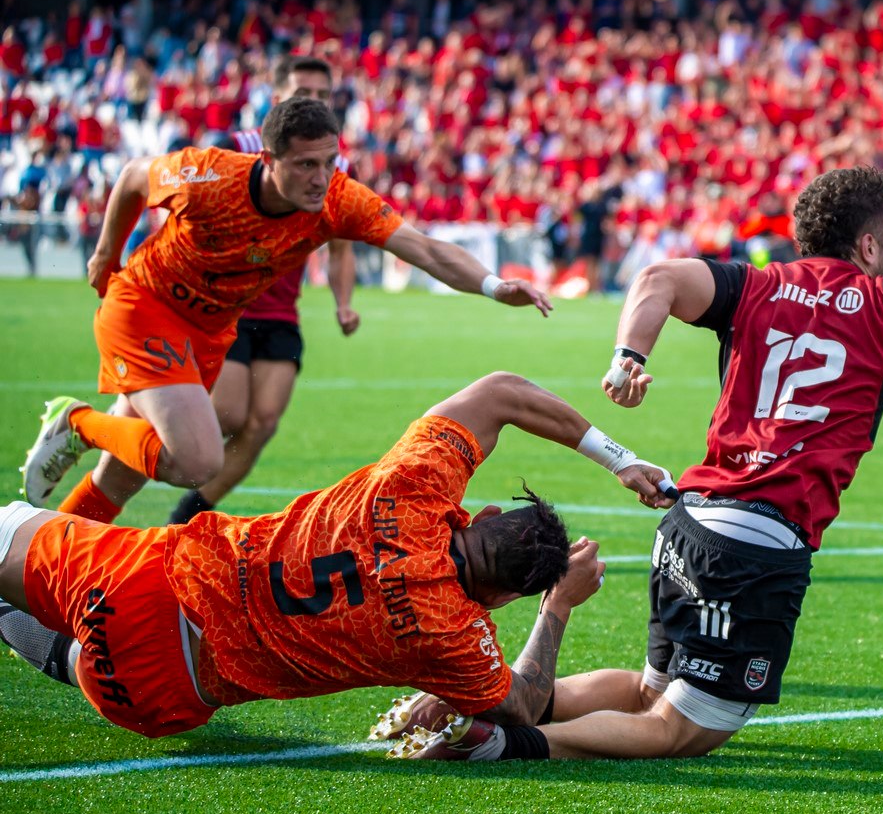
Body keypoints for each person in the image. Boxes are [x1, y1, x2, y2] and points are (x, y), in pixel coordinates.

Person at [379, 165, 883, 762]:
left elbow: (659, 277)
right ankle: (502, 741)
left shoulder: (754, 285)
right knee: (679, 730)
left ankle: (470, 704)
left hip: (690, 522)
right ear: (869, 245)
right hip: (759, 543)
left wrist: (629, 358)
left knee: (648, 692)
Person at [0, 371, 674, 738]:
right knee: (89, 657)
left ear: (487, 515)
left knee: (16, 535)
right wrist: (558, 606)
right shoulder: (455, 639)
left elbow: (501, 392)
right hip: (160, 695)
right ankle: (51, 643)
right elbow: (522, 708)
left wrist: (619, 460)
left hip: (152, 583)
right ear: (500, 598)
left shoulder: (412, 486)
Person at [21, 97, 553, 522]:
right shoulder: (208, 176)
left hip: (208, 331)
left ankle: (37, 576)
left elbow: (427, 249)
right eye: (305, 165)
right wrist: (105, 253)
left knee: (121, 477)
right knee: (196, 459)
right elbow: (134, 178)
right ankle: (77, 422)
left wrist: (491, 284)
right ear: (269, 160)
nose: (320, 178)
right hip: (145, 307)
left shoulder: (338, 199)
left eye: (328, 162)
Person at [170, 57, 360, 525]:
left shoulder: (336, 167)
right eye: (303, 92)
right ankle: (121, 439)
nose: (313, 101)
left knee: (263, 423)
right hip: (227, 306)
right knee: (230, 416)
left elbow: (340, 247)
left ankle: (185, 519)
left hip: (280, 313)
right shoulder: (236, 148)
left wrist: (343, 303)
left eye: (321, 94)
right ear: (276, 97)